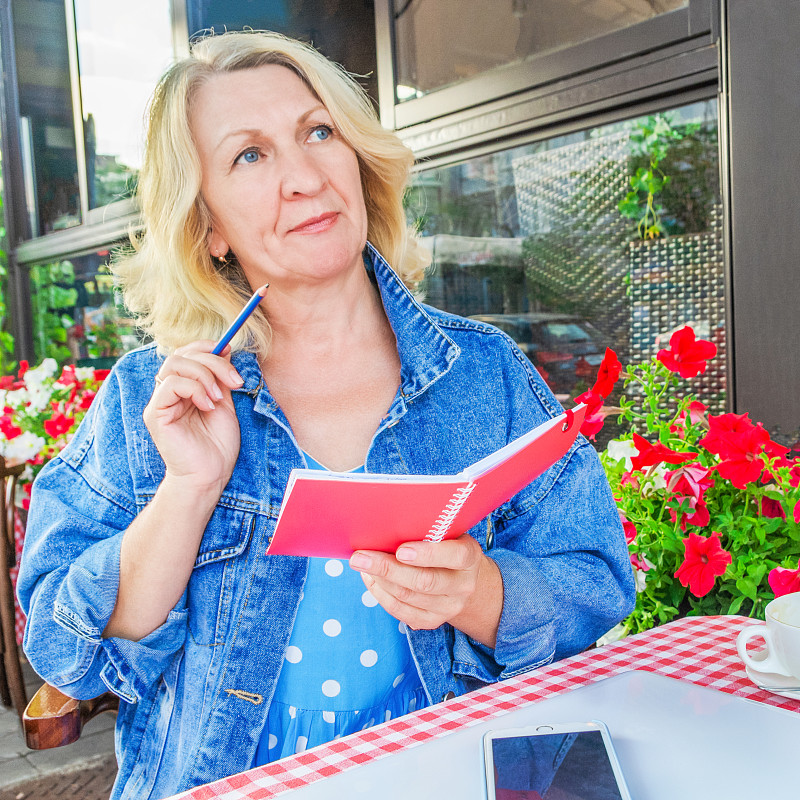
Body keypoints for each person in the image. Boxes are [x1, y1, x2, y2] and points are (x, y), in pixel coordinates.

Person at [18, 30, 635, 800]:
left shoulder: (484, 372)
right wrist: (188, 488)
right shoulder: (154, 397)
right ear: (208, 226)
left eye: (318, 132)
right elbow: (61, 647)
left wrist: (483, 594)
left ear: (357, 159)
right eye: (250, 155)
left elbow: (598, 581)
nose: (305, 176)